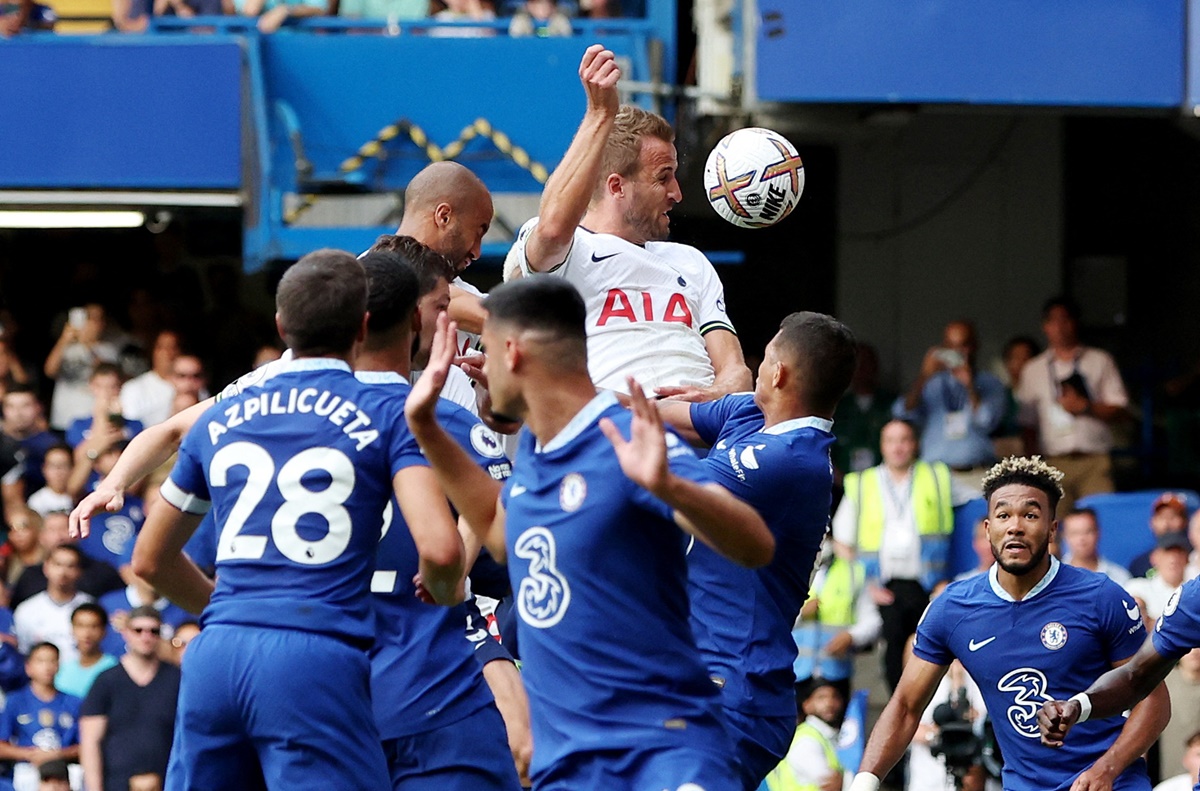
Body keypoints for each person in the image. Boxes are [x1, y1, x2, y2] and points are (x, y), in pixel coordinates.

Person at [403, 277, 773, 789]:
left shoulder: (624, 439)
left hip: (657, 752)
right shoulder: (538, 445)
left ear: (511, 352)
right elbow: (497, 531)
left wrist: (671, 487)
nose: (478, 366)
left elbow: (756, 545)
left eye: (484, 349)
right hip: (567, 765)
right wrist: (424, 426)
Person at [129, 250, 465, 790]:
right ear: (362, 326)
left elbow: (149, 559)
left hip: (215, 655)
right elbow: (443, 552)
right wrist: (446, 589)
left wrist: (234, 609)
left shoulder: (218, 417)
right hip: (313, 659)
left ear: (282, 325)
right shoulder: (389, 414)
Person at [850, 456, 1167, 791]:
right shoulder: (953, 609)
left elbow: (1153, 700)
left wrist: (1108, 769)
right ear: (988, 528)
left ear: (1052, 528)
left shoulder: (1101, 597)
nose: (1015, 526)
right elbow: (905, 707)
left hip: (1112, 784)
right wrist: (863, 783)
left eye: (1030, 515)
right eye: (1003, 515)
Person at [652, 310, 857, 789]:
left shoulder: (796, 463)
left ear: (778, 372)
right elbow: (642, 414)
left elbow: (660, 470)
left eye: (763, 357)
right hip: (694, 675)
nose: (755, 366)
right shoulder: (746, 413)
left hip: (736, 688)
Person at [355, 249, 524, 790]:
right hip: (425, 671)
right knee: (522, 745)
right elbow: (472, 551)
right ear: (412, 320)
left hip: (312, 684)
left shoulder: (266, 412)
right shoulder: (443, 423)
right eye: (438, 305)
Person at [512, 45, 751, 400]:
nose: (677, 194)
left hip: (700, 430)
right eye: (663, 177)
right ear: (616, 186)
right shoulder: (566, 252)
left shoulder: (691, 262)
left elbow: (736, 372)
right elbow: (552, 229)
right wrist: (598, 115)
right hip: (611, 428)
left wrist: (715, 397)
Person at [832, 418, 975, 690]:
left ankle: (929, 713)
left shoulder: (936, 476)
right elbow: (841, 540)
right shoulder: (862, 483)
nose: (898, 447)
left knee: (930, 649)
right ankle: (897, 715)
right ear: (882, 446)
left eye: (904, 440)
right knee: (894, 651)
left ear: (915, 444)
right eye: (891, 440)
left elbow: (976, 500)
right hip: (884, 585)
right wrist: (867, 583)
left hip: (928, 581)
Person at [1017, 296, 1129, 514]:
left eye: (1066, 320)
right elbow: (1027, 424)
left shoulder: (1100, 360)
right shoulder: (1033, 369)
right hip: (1052, 461)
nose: (1060, 327)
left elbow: (1120, 410)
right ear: (1045, 326)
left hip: (1094, 460)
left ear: (1075, 323)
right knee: (1052, 525)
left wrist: (1086, 407)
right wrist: (1033, 468)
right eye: (1054, 321)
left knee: (1101, 520)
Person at [893, 320, 1005, 487]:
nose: (957, 352)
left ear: (975, 346)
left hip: (976, 474)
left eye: (963, 346)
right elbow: (902, 413)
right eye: (951, 346)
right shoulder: (931, 382)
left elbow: (986, 421)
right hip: (935, 476)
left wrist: (970, 386)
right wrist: (923, 376)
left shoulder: (989, 383)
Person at [79, 607, 180, 791]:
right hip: (116, 784)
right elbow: (90, 742)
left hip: (168, 783)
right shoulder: (106, 681)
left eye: (153, 631)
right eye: (138, 630)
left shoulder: (176, 679)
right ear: (126, 633)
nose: (145, 636)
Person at [793, 543, 882, 702]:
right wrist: (800, 613)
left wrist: (851, 636)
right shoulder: (789, 568)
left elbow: (873, 621)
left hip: (835, 673)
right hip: (796, 672)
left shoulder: (853, 572)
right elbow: (767, 618)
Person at [0, 642, 81, 791]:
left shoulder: (74, 702)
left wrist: (59, 754)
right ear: (28, 667)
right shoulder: (15, 701)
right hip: (27, 768)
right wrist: (29, 754)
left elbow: (87, 745)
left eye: (52, 660)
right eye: (41, 661)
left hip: (64, 767)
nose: (47, 667)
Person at [44, 306, 119, 432]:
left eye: (99, 319)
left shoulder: (109, 348)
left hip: (92, 418)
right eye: (89, 318)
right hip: (64, 418)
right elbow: (49, 370)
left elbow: (105, 371)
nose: (94, 324)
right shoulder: (66, 346)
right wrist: (64, 340)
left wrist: (87, 345)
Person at [13, 545, 93, 663]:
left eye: (70, 566)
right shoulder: (26, 610)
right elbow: (23, 653)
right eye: (57, 564)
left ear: (79, 571)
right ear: (46, 567)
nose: (63, 572)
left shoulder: (90, 607)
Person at [765, 680, 847, 791]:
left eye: (835, 697)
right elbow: (831, 783)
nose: (829, 703)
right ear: (806, 705)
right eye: (821, 698)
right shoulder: (806, 740)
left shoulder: (830, 736)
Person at [831, 343, 895, 479]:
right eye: (857, 364)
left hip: (884, 482)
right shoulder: (836, 406)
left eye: (867, 363)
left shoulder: (891, 403)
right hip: (842, 482)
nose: (862, 369)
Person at [2, 386, 59, 496]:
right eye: (11, 406)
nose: (18, 413)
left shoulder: (52, 445)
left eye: (25, 406)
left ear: (38, 407)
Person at [55, 603, 118, 700]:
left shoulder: (114, 668)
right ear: (72, 629)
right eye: (81, 626)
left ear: (104, 631)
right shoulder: (61, 668)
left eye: (94, 626)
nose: (87, 634)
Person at [118, 331, 180, 430]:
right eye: (162, 347)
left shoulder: (192, 385)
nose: (169, 353)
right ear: (154, 352)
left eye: (173, 347)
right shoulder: (133, 388)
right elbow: (131, 426)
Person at [1126, 532, 1190, 622]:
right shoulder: (1138, 588)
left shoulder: (1194, 592)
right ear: (1154, 558)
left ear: (1187, 558)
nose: (1173, 559)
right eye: (1167, 552)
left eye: (1179, 553)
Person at [1061, 507, 1131, 584]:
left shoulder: (1119, 577)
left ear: (1098, 533)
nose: (1081, 539)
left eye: (1087, 532)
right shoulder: (1053, 575)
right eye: (1075, 533)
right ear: (1065, 536)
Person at [1129, 493, 1190, 579]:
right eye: (1162, 517)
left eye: (1173, 517)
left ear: (1185, 521)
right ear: (1152, 522)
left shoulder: (1195, 558)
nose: (1167, 524)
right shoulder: (1140, 564)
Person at [26, 446, 73, 519]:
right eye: (53, 466)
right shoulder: (36, 502)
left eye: (63, 465)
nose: (58, 472)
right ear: (44, 469)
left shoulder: (80, 498)